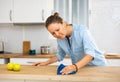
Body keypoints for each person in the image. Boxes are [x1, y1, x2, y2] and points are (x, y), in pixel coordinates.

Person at [32, 12, 107, 75]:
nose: (56, 34)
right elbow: (60, 55)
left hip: (98, 68)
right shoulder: (60, 39)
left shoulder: (82, 31)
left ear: (63, 23)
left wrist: (74, 67)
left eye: (57, 30)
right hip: (80, 69)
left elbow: (90, 55)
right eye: (53, 33)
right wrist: (45, 63)